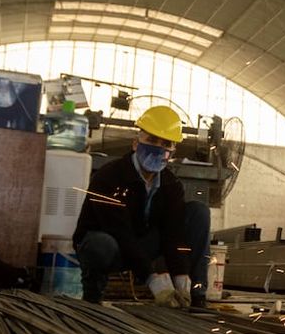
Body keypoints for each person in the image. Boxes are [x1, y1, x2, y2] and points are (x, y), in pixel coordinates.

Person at [74, 105, 211, 307]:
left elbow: (173, 234)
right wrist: (152, 278)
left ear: (173, 151)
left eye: (165, 143)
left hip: (143, 244)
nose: (158, 148)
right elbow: (121, 233)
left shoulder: (171, 184)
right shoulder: (109, 176)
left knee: (198, 212)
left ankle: (196, 295)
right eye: (152, 140)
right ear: (136, 143)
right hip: (112, 246)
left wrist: (181, 276)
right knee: (100, 245)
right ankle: (92, 297)